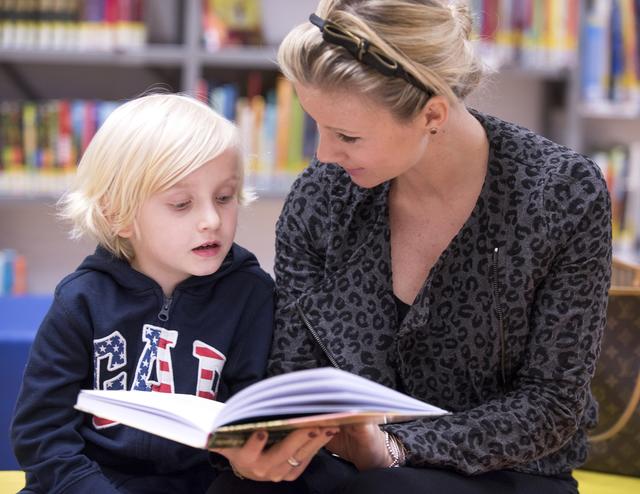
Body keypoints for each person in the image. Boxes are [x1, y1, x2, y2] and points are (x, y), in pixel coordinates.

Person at [216, 1, 613, 493]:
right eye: (315, 123)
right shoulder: (323, 196)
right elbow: (294, 370)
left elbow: (551, 404)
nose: (322, 154)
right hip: (345, 464)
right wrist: (265, 447)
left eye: (347, 135)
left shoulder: (560, 194)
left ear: (432, 114)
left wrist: (396, 449)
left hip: (505, 472)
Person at [11, 93, 285, 493]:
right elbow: (43, 435)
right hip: (91, 483)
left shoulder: (253, 295)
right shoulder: (81, 301)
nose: (211, 220)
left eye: (224, 198)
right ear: (117, 215)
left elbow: (252, 418)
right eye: (181, 204)